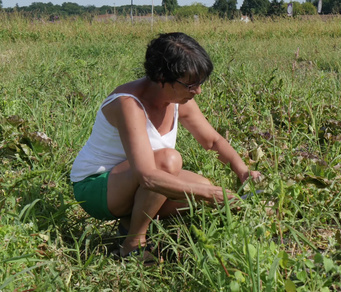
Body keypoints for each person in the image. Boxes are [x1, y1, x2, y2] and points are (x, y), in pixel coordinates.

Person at [70, 32, 261, 261]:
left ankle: (130, 221)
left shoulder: (177, 100)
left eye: (199, 83)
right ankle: (133, 244)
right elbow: (148, 177)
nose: (197, 91)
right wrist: (211, 195)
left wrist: (243, 171)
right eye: (190, 84)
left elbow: (213, 141)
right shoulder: (128, 104)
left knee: (200, 185)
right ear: (161, 77)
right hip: (95, 187)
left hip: (132, 181)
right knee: (169, 163)